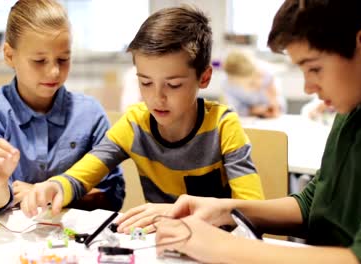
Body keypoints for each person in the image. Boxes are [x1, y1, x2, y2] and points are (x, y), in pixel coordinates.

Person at [155, 0, 361, 263]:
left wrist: (218, 247)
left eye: (315, 69)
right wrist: (227, 210)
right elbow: (315, 205)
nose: (309, 87)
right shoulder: (355, 108)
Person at [20, 6, 264, 233]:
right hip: (161, 247)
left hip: (217, 246)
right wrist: (56, 186)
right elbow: (82, 175)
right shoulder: (135, 124)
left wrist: (175, 212)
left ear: (204, 77)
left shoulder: (222, 126)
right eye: (145, 82)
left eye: (174, 84)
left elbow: (254, 212)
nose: (157, 97)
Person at [0, 0, 124, 213]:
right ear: (9, 55)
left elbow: (111, 196)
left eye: (63, 59)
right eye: (39, 61)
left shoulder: (90, 115)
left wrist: (46, 193)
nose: (54, 72)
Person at [222, 50, 286, 118]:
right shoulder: (229, 85)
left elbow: (279, 106)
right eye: (250, 83)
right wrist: (253, 110)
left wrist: (274, 107)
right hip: (247, 119)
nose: (255, 84)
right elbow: (234, 109)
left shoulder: (267, 76)